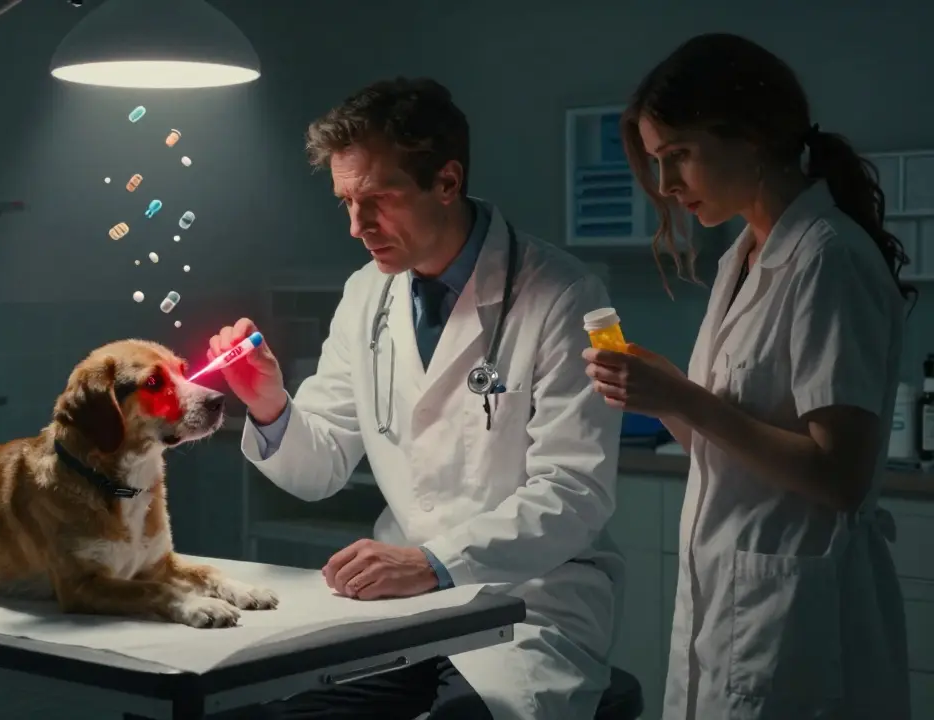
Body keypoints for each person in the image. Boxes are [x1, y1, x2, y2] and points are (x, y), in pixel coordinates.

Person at [206, 77, 626, 719]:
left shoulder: (565, 295)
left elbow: (573, 493)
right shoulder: (366, 295)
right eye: (346, 201)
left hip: (529, 605)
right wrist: (268, 403)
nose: (356, 226)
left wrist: (433, 562)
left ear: (447, 182)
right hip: (402, 611)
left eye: (376, 199)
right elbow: (319, 469)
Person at [584, 33, 915, 720]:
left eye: (679, 155)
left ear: (752, 135)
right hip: (735, 607)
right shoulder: (745, 252)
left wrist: (684, 398)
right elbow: (727, 440)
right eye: (657, 161)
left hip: (800, 619)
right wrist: (667, 390)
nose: (668, 185)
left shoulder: (827, 259)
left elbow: (840, 475)